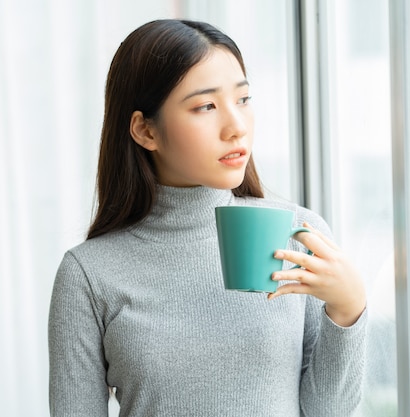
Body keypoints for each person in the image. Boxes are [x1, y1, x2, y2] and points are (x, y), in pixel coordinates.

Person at [49, 19, 367, 416]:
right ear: (145, 131)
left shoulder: (298, 236)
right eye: (206, 106)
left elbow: (327, 411)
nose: (236, 127)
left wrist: (348, 308)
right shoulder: (89, 274)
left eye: (244, 99)